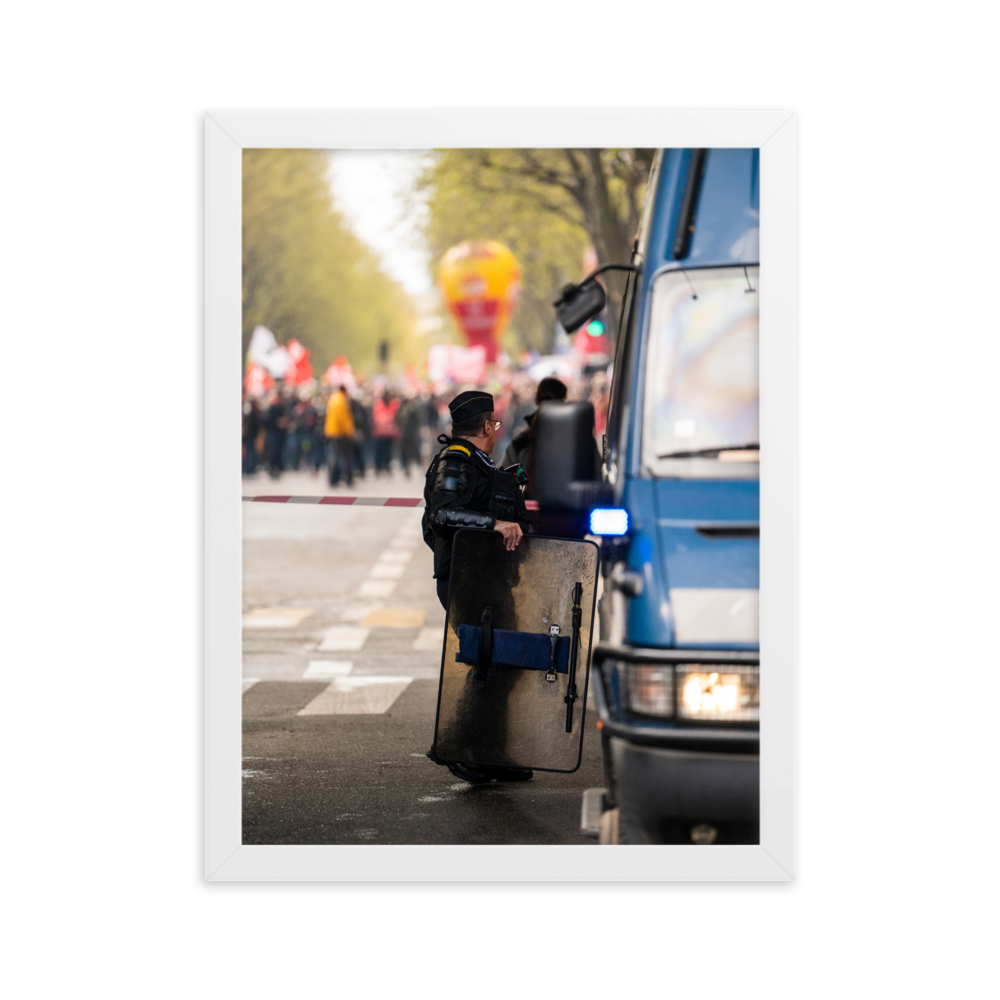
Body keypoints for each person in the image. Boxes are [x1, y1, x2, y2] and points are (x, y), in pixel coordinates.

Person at [422, 389, 533, 785]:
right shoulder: (455, 460)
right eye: (495, 424)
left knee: (504, 660)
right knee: (490, 662)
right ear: (486, 426)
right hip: (466, 579)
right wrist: (494, 525)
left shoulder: (482, 463)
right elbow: (442, 514)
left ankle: (490, 752)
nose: (495, 430)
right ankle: (455, 744)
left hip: (489, 577)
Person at [499, 377, 601, 538]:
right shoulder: (583, 439)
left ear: (536, 400)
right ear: (564, 400)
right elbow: (596, 478)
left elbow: (503, 481)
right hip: (574, 526)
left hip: (530, 527)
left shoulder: (521, 442)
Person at [324, 385, 356, 487]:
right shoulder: (341, 400)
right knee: (344, 457)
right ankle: (344, 478)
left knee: (334, 455)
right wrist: (350, 431)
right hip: (341, 433)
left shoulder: (333, 398)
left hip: (332, 431)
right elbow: (344, 418)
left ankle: (333, 479)